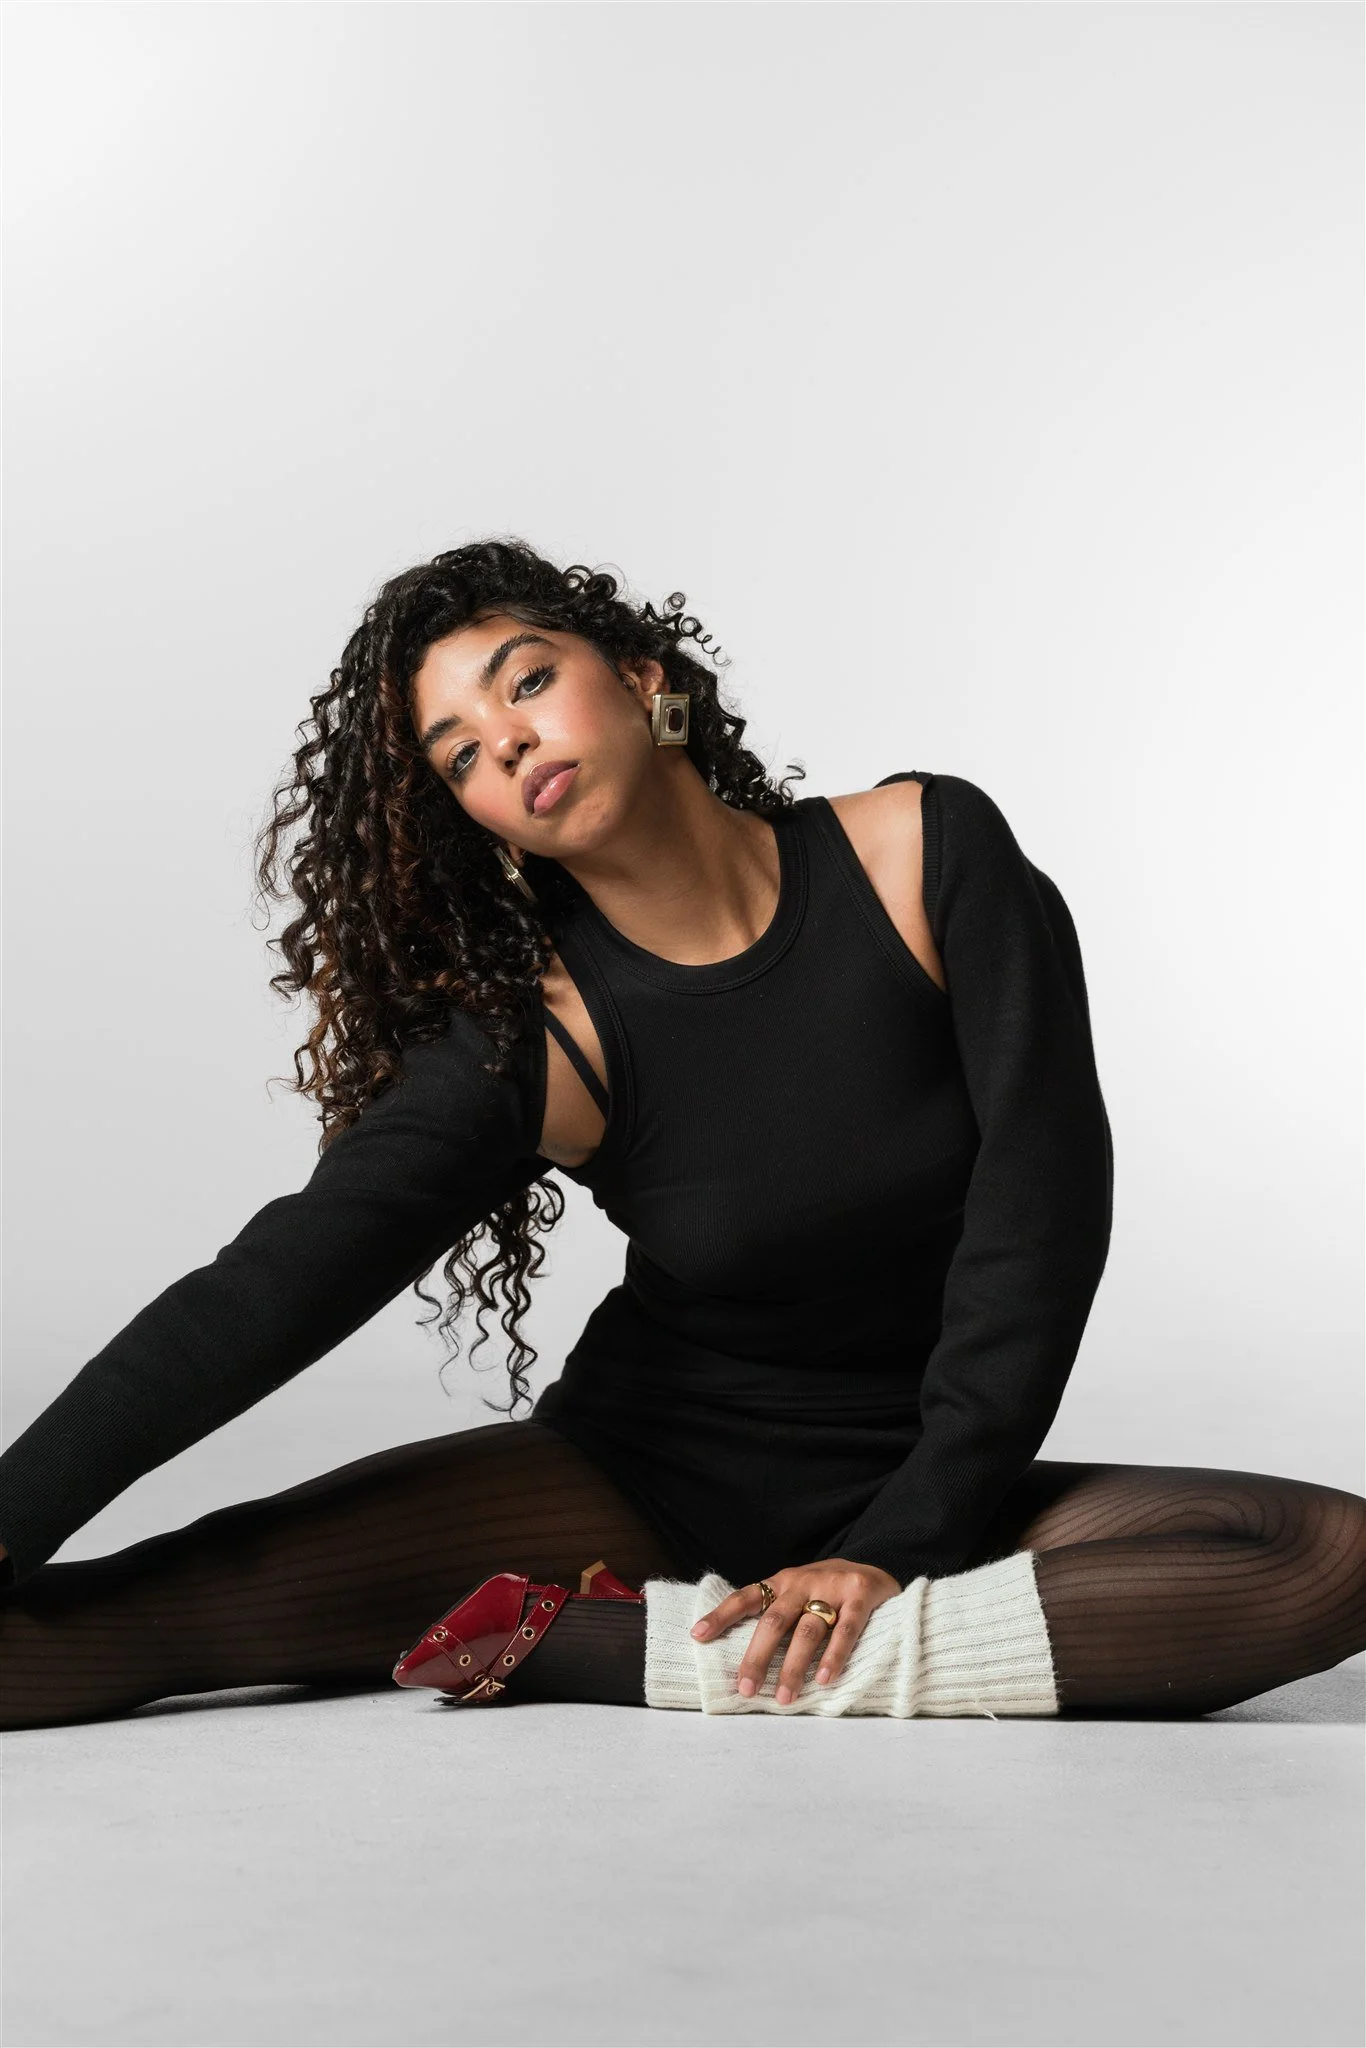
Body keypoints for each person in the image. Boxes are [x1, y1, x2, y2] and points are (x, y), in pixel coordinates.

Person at [2, 539, 1363, 1729]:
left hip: (947, 1478)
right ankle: (740, 1634)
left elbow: (1040, 1215)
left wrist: (895, 1547)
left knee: (1325, 1560)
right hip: (637, 1484)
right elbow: (268, 1291)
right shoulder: (539, 1041)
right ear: (474, 821)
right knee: (122, 1624)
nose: (506, 744)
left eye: (526, 683)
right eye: (460, 754)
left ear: (646, 678)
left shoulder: (924, 857)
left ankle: (607, 1648)